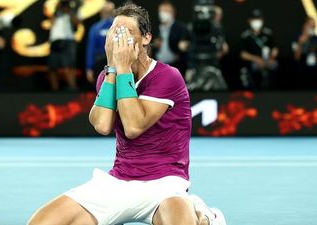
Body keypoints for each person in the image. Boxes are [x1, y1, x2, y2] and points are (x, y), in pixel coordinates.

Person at [28, 3, 226, 225]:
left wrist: (121, 67)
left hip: (165, 185)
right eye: (116, 31)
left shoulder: (168, 76)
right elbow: (102, 124)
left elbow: (133, 127)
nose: (120, 38)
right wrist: (113, 68)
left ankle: (204, 214)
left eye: (128, 32)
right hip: (118, 182)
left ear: (146, 38)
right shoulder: (106, 76)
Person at [240, 9, 279, 90]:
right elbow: (243, 54)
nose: (256, 21)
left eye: (258, 19)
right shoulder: (246, 36)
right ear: (249, 20)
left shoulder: (268, 33)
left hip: (268, 61)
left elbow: (275, 48)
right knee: (253, 68)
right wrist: (256, 59)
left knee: (275, 65)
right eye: (254, 19)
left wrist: (271, 57)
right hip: (254, 63)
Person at [48, 0, 80, 91]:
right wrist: (57, 8)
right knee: (52, 68)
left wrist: (68, 12)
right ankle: (55, 91)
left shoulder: (72, 13)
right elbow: (51, 22)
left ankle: (72, 89)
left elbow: (77, 23)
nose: (63, 7)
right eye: (62, 5)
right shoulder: (55, 15)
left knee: (68, 67)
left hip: (67, 41)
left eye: (65, 5)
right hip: (54, 41)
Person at [152, 0, 189, 75]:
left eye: (165, 11)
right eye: (160, 11)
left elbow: (185, 44)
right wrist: (154, 45)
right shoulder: (156, 28)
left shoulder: (180, 27)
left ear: (172, 13)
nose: (162, 14)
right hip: (158, 66)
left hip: (175, 66)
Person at [85, 1, 115, 85]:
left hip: (116, 61)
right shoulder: (95, 28)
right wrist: (89, 68)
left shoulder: (118, 26)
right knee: (101, 88)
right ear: (101, 12)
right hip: (100, 62)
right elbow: (91, 49)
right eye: (105, 11)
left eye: (109, 11)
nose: (107, 14)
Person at [292, 17, 317, 89]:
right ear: (305, 25)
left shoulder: (315, 38)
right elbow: (296, 57)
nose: (313, 28)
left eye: (314, 26)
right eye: (311, 25)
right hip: (300, 67)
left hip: (314, 67)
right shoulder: (297, 37)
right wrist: (300, 43)